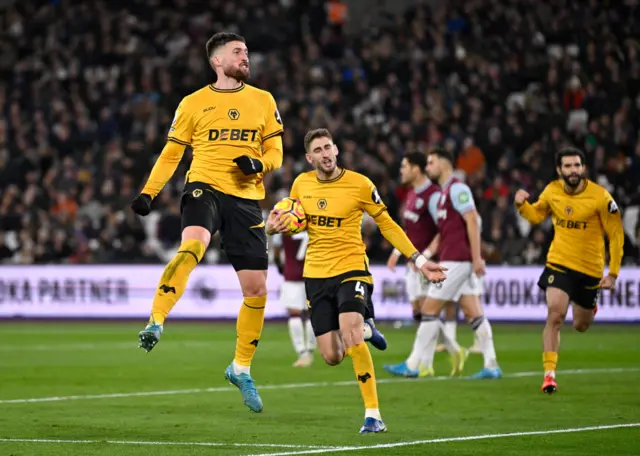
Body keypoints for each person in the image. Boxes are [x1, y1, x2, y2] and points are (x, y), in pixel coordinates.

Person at [130, 32, 284, 413]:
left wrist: (259, 164)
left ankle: (240, 368)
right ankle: (156, 319)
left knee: (257, 289)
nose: (245, 57)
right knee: (193, 245)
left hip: (247, 199)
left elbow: (276, 151)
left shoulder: (263, 100)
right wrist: (149, 192)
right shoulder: (193, 103)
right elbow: (171, 153)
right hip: (205, 187)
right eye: (238, 52)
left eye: (247, 51)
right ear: (217, 61)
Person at [266, 128, 447, 434]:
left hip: (352, 269)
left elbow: (387, 224)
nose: (325, 154)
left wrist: (419, 260)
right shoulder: (301, 185)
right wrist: (273, 228)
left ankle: (373, 414)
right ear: (310, 158)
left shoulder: (360, 184)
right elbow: (294, 220)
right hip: (316, 275)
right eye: (318, 151)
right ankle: (366, 326)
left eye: (328, 147)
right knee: (332, 356)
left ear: (336, 149)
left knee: (350, 333)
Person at [514, 147, 624, 394]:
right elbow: (536, 215)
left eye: (577, 165)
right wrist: (521, 205)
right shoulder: (552, 190)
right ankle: (549, 375)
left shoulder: (600, 197)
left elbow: (616, 236)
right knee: (555, 315)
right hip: (559, 263)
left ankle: (589, 306)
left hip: (590, 269)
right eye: (568, 166)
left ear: (583, 168)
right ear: (559, 170)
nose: (573, 170)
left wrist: (613, 273)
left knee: (581, 325)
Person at [384, 149, 501, 380]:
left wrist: (477, 257)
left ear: (445, 164)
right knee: (473, 313)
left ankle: (413, 364)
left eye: (431, 162)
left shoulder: (458, 189)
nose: (428, 167)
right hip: (454, 258)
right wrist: (426, 254)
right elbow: (445, 231)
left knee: (428, 309)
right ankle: (491, 365)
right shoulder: (446, 192)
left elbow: (473, 222)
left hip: (456, 260)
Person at [385, 152, 458, 376]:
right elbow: (411, 230)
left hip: (429, 263)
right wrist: (398, 251)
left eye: (404, 166)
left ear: (416, 169)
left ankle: (419, 363)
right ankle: (446, 353)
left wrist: (425, 256)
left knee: (428, 310)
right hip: (413, 262)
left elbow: (443, 230)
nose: (401, 170)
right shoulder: (410, 194)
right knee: (419, 310)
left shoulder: (434, 196)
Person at [272, 231, 317, 367]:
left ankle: (302, 352)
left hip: (292, 274)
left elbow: (276, 248)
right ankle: (310, 349)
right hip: (313, 273)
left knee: (294, 314)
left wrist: (280, 266)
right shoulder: (313, 221)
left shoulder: (285, 223)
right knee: (311, 313)